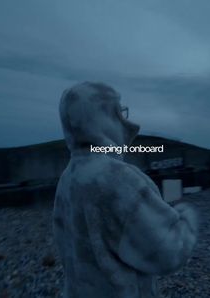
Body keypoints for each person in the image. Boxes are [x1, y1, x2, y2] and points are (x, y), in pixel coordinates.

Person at [53, 82, 199, 298]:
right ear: (102, 117)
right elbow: (168, 253)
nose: (124, 119)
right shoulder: (118, 179)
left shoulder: (68, 177)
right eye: (119, 111)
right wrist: (187, 218)